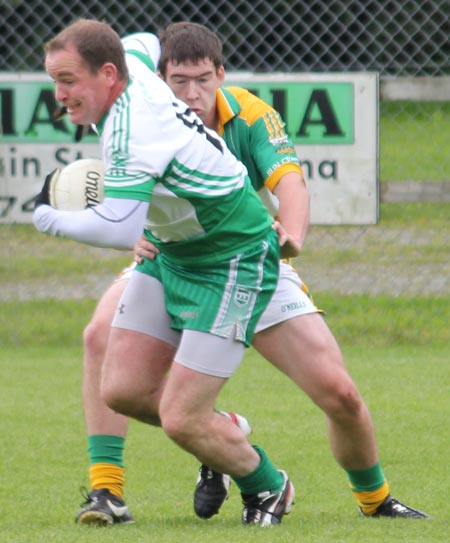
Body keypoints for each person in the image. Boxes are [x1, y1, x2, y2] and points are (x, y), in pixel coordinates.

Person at [37, 20, 429, 526]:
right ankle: (117, 485)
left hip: (245, 256)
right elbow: (134, 49)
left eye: (204, 79)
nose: (193, 93)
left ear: (221, 75)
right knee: (102, 344)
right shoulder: (136, 96)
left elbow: (290, 181)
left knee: (339, 393)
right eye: (180, 81)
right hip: (172, 251)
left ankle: (373, 498)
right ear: (157, 77)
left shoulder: (245, 115)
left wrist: (294, 230)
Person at [34, 18, 296, 528]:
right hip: (174, 251)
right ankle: (224, 431)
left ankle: (267, 483)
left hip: (231, 255)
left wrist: (47, 217)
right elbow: (145, 42)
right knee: (123, 391)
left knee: (181, 419)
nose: (59, 94)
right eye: (53, 80)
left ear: (108, 74)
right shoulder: (130, 65)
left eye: (68, 80)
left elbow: (118, 225)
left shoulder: (136, 131)